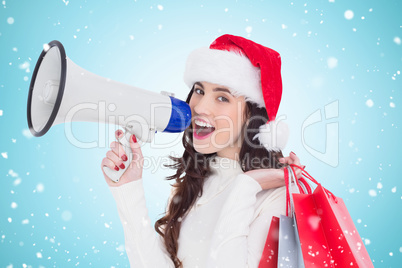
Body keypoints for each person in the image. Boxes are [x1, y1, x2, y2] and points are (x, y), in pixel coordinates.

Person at [101, 34, 304, 267]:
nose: (200, 107)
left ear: (252, 116)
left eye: (222, 97)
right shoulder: (195, 181)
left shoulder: (277, 195)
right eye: (199, 91)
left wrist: (246, 186)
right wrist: (127, 189)